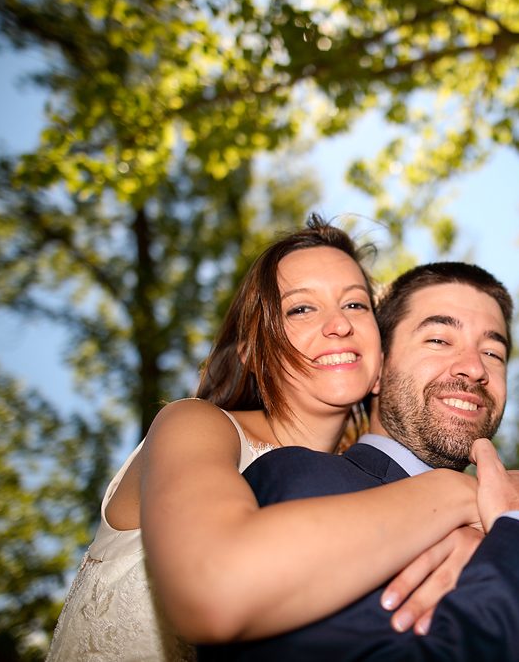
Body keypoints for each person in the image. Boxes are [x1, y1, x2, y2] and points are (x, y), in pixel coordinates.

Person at [47, 219, 491, 662]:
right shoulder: (195, 427)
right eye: (301, 308)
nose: (339, 324)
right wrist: (462, 493)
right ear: (253, 354)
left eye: (356, 304)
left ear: (381, 363)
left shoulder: (375, 496)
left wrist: (494, 531)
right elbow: (214, 588)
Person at [199, 263, 519, 661]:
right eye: (439, 339)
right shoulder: (297, 480)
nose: (475, 368)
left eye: (493, 352)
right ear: (376, 371)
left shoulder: (500, 536)